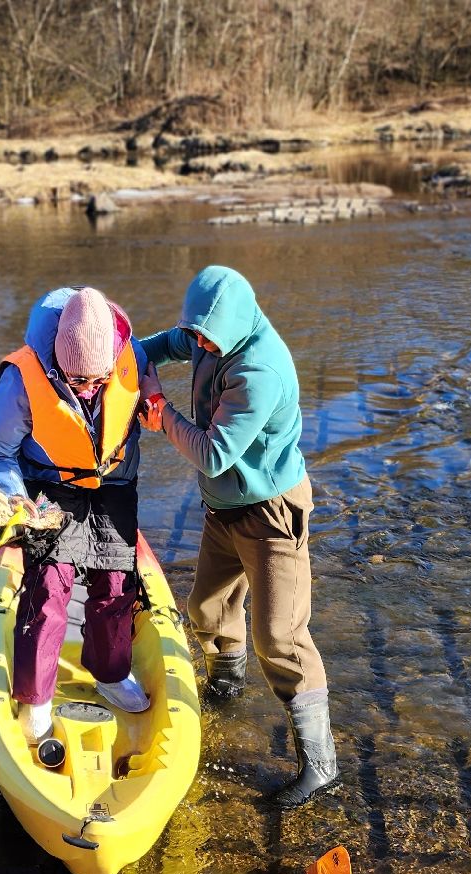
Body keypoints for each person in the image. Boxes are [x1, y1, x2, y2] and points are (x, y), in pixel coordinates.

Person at [136, 266, 338, 808]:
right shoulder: (209, 333)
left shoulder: (259, 370)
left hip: (272, 513)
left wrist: (160, 414)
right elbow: (166, 344)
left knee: (280, 637)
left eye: (206, 337)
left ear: (232, 327)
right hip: (223, 507)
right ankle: (228, 677)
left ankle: (320, 763)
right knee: (204, 606)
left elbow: (212, 452)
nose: (197, 344)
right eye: (196, 333)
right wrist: (126, 355)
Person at [0, 286, 153, 745]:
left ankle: (110, 674)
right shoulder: (22, 378)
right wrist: (18, 499)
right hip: (49, 487)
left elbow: (155, 362)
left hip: (113, 483)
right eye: (77, 382)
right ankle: (35, 698)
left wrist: (153, 398)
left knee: (115, 584)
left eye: (98, 381)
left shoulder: (130, 354)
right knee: (51, 584)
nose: (90, 390)